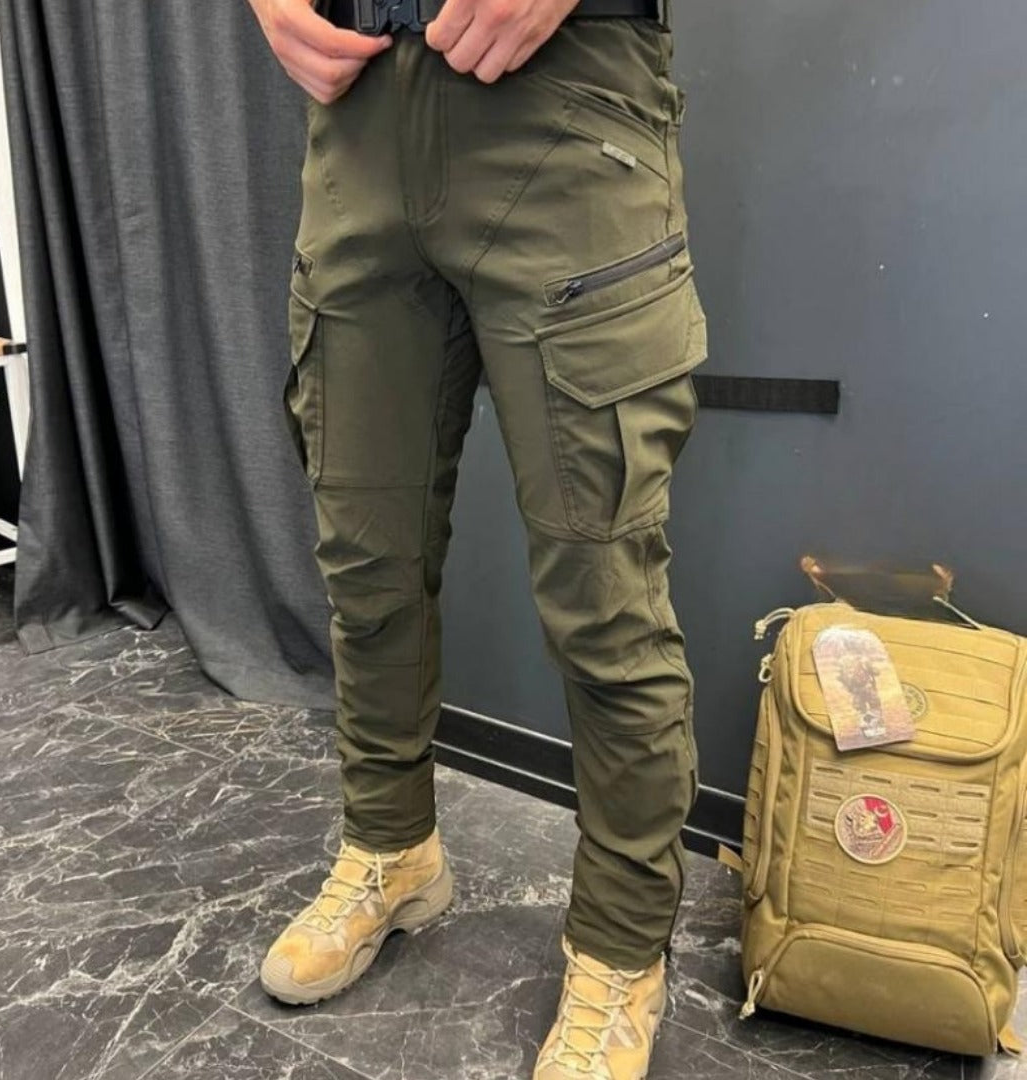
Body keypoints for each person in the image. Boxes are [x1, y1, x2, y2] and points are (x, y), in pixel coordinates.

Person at [247, 1, 709, 1075]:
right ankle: (391, 847)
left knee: (603, 593)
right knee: (366, 564)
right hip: (358, 119)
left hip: (566, 101)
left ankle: (622, 946)